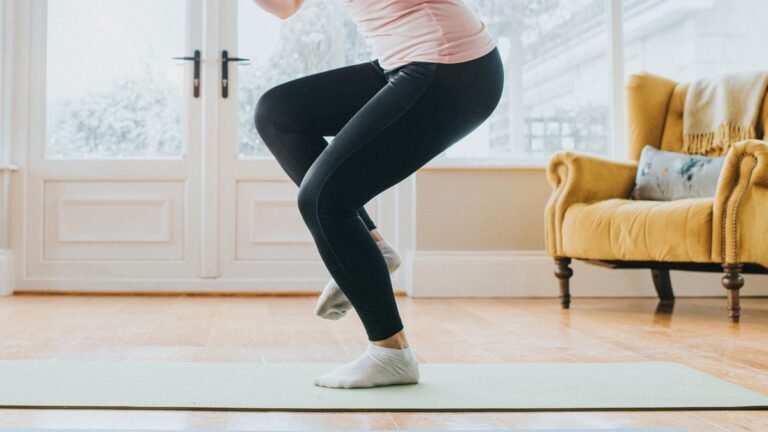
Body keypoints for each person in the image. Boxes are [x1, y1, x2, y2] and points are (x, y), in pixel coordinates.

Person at [252, 0, 504, 388]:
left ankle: (391, 353)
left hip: (450, 68)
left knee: (323, 201)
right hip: (406, 61)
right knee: (278, 113)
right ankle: (374, 246)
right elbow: (286, 7)